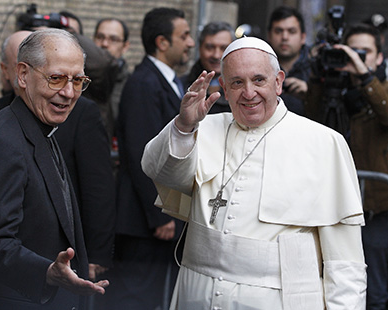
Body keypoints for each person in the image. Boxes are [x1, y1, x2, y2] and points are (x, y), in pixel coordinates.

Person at [141, 36, 367, 310]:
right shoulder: (202, 128)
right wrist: (183, 127)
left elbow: (345, 261)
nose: (248, 93)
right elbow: (157, 170)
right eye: (237, 82)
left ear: (279, 81)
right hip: (195, 296)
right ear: (223, 88)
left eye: (259, 80)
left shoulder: (324, 143)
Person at [0, 28, 109, 310]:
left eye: (78, 81)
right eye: (56, 78)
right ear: (22, 75)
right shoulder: (2, 142)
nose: (69, 93)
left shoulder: (40, 127)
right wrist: (47, 272)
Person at [94, 7, 195, 310]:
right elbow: (142, 153)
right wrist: (160, 215)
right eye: (184, 35)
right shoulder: (143, 84)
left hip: (159, 217)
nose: (190, 42)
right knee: (133, 298)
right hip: (144, 221)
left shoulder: (169, 82)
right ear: (162, 42)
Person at [307, 23, 388, 310]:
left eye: (363, 52)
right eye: (350, 50)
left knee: (374, 292)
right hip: (330, 207)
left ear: (379, 57)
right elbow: (310, 121)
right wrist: (317, 74)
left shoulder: (380, 89)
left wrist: (365, 77)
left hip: (376, 208)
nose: (355, 57)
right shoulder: (334, 87)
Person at [182, 21, 234, 114]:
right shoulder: (180, 87)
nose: (216, 55)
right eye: (210, 47)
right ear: (200, 48)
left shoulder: (243, 90)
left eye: (223, 48)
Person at [267, 5, 311, 116]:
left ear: (303, 37)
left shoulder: (316, 69)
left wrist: (310, 93)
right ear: (269, 36)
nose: (285, 37)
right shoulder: (258, 67)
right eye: (278, 31)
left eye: (292, 31)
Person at [93, 18, 131, 141]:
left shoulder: (131, 84)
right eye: (100, 37)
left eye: (113, 39)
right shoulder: (81, 80)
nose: (104, 44)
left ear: (125, 46)